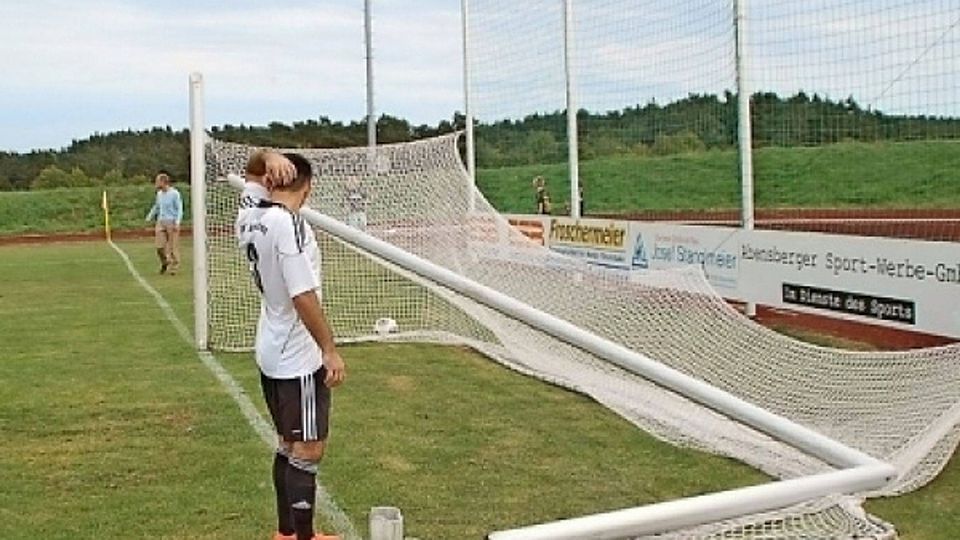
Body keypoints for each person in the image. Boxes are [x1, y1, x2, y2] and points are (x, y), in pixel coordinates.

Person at [237, 152, 345, 540]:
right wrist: (328, 349)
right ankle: (302, 537)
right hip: (297, 356)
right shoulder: (288, 225)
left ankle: (287, 533)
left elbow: (251, 169)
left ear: (269, 181)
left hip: (269, 345)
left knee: (288, 444)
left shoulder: (249, 214)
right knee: (308, 449)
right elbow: (302, 294)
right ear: (309, 189)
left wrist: (267, 156)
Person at [145, 170, 183, 274]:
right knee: (159, 247)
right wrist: (149, 216)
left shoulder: (174, 193)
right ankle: (165, 262)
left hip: (172, 221)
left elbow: (179, 208)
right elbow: (157, 206)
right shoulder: (159, 194)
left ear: (163, 182)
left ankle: (174, 268)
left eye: (157, 181)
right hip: (161, 221)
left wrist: (177, 222)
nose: (156, 183)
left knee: (172, 247)